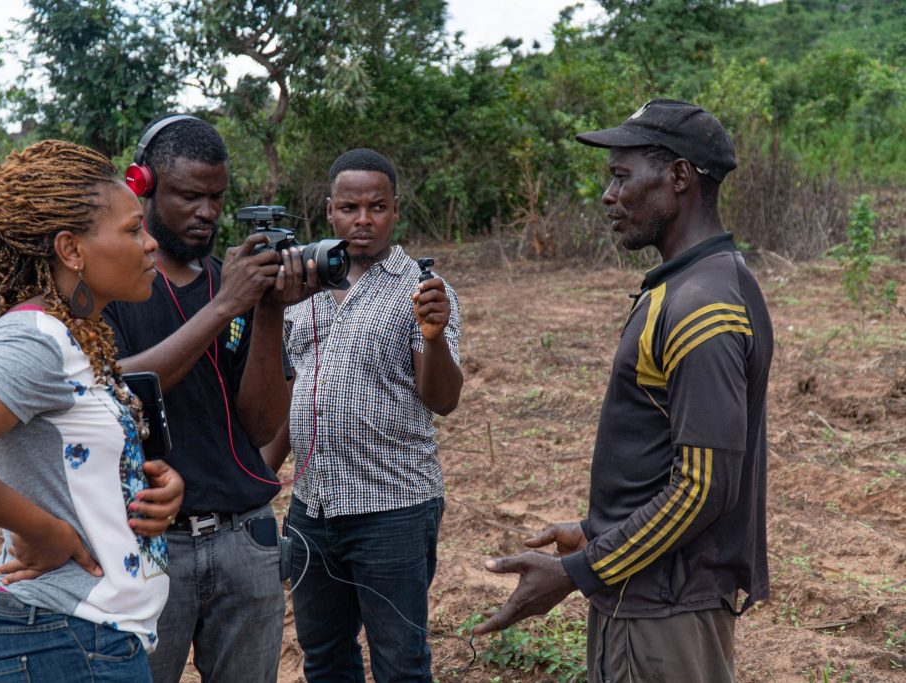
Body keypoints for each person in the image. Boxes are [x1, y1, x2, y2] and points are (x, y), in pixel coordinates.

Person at [472, 100, 773, 682]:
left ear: (679, 177)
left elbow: (703, 488)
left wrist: (579, 569)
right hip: (645, 596)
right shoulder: (688, 285)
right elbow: (662, 453)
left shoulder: (700, 307)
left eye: (620, 176)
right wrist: (594, 529)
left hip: (664, 611)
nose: (608, 196)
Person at [0, 140, 185, 683]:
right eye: (131, 230)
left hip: (81, 636)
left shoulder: (74, 336)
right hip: (59, 640)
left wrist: (149, 490)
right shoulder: (35, 338)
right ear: (71, 249)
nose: (150, 245)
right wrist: (45, 532)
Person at [104, 114, 311, 683]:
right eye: (189, 195)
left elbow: (264, 423)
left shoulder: (234, 284)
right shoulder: (111, 291)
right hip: (147, 545)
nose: (207, 212)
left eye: (217, 197)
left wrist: (267, 311)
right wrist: (222, 308)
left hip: (244, 540)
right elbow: (115, 393)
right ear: (143, 186)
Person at [269, 148, 463, 683]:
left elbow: (443, 399)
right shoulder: (301, 290)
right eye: (349, 207)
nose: (363, 221)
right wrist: (263, 472)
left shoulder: (421, 290)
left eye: (376, 207)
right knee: (325, 656)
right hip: (312, 508)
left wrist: (434, 339)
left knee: (400, 662)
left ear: (395, 210)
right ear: (330, 210)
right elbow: (294, 392)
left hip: (393, 508)